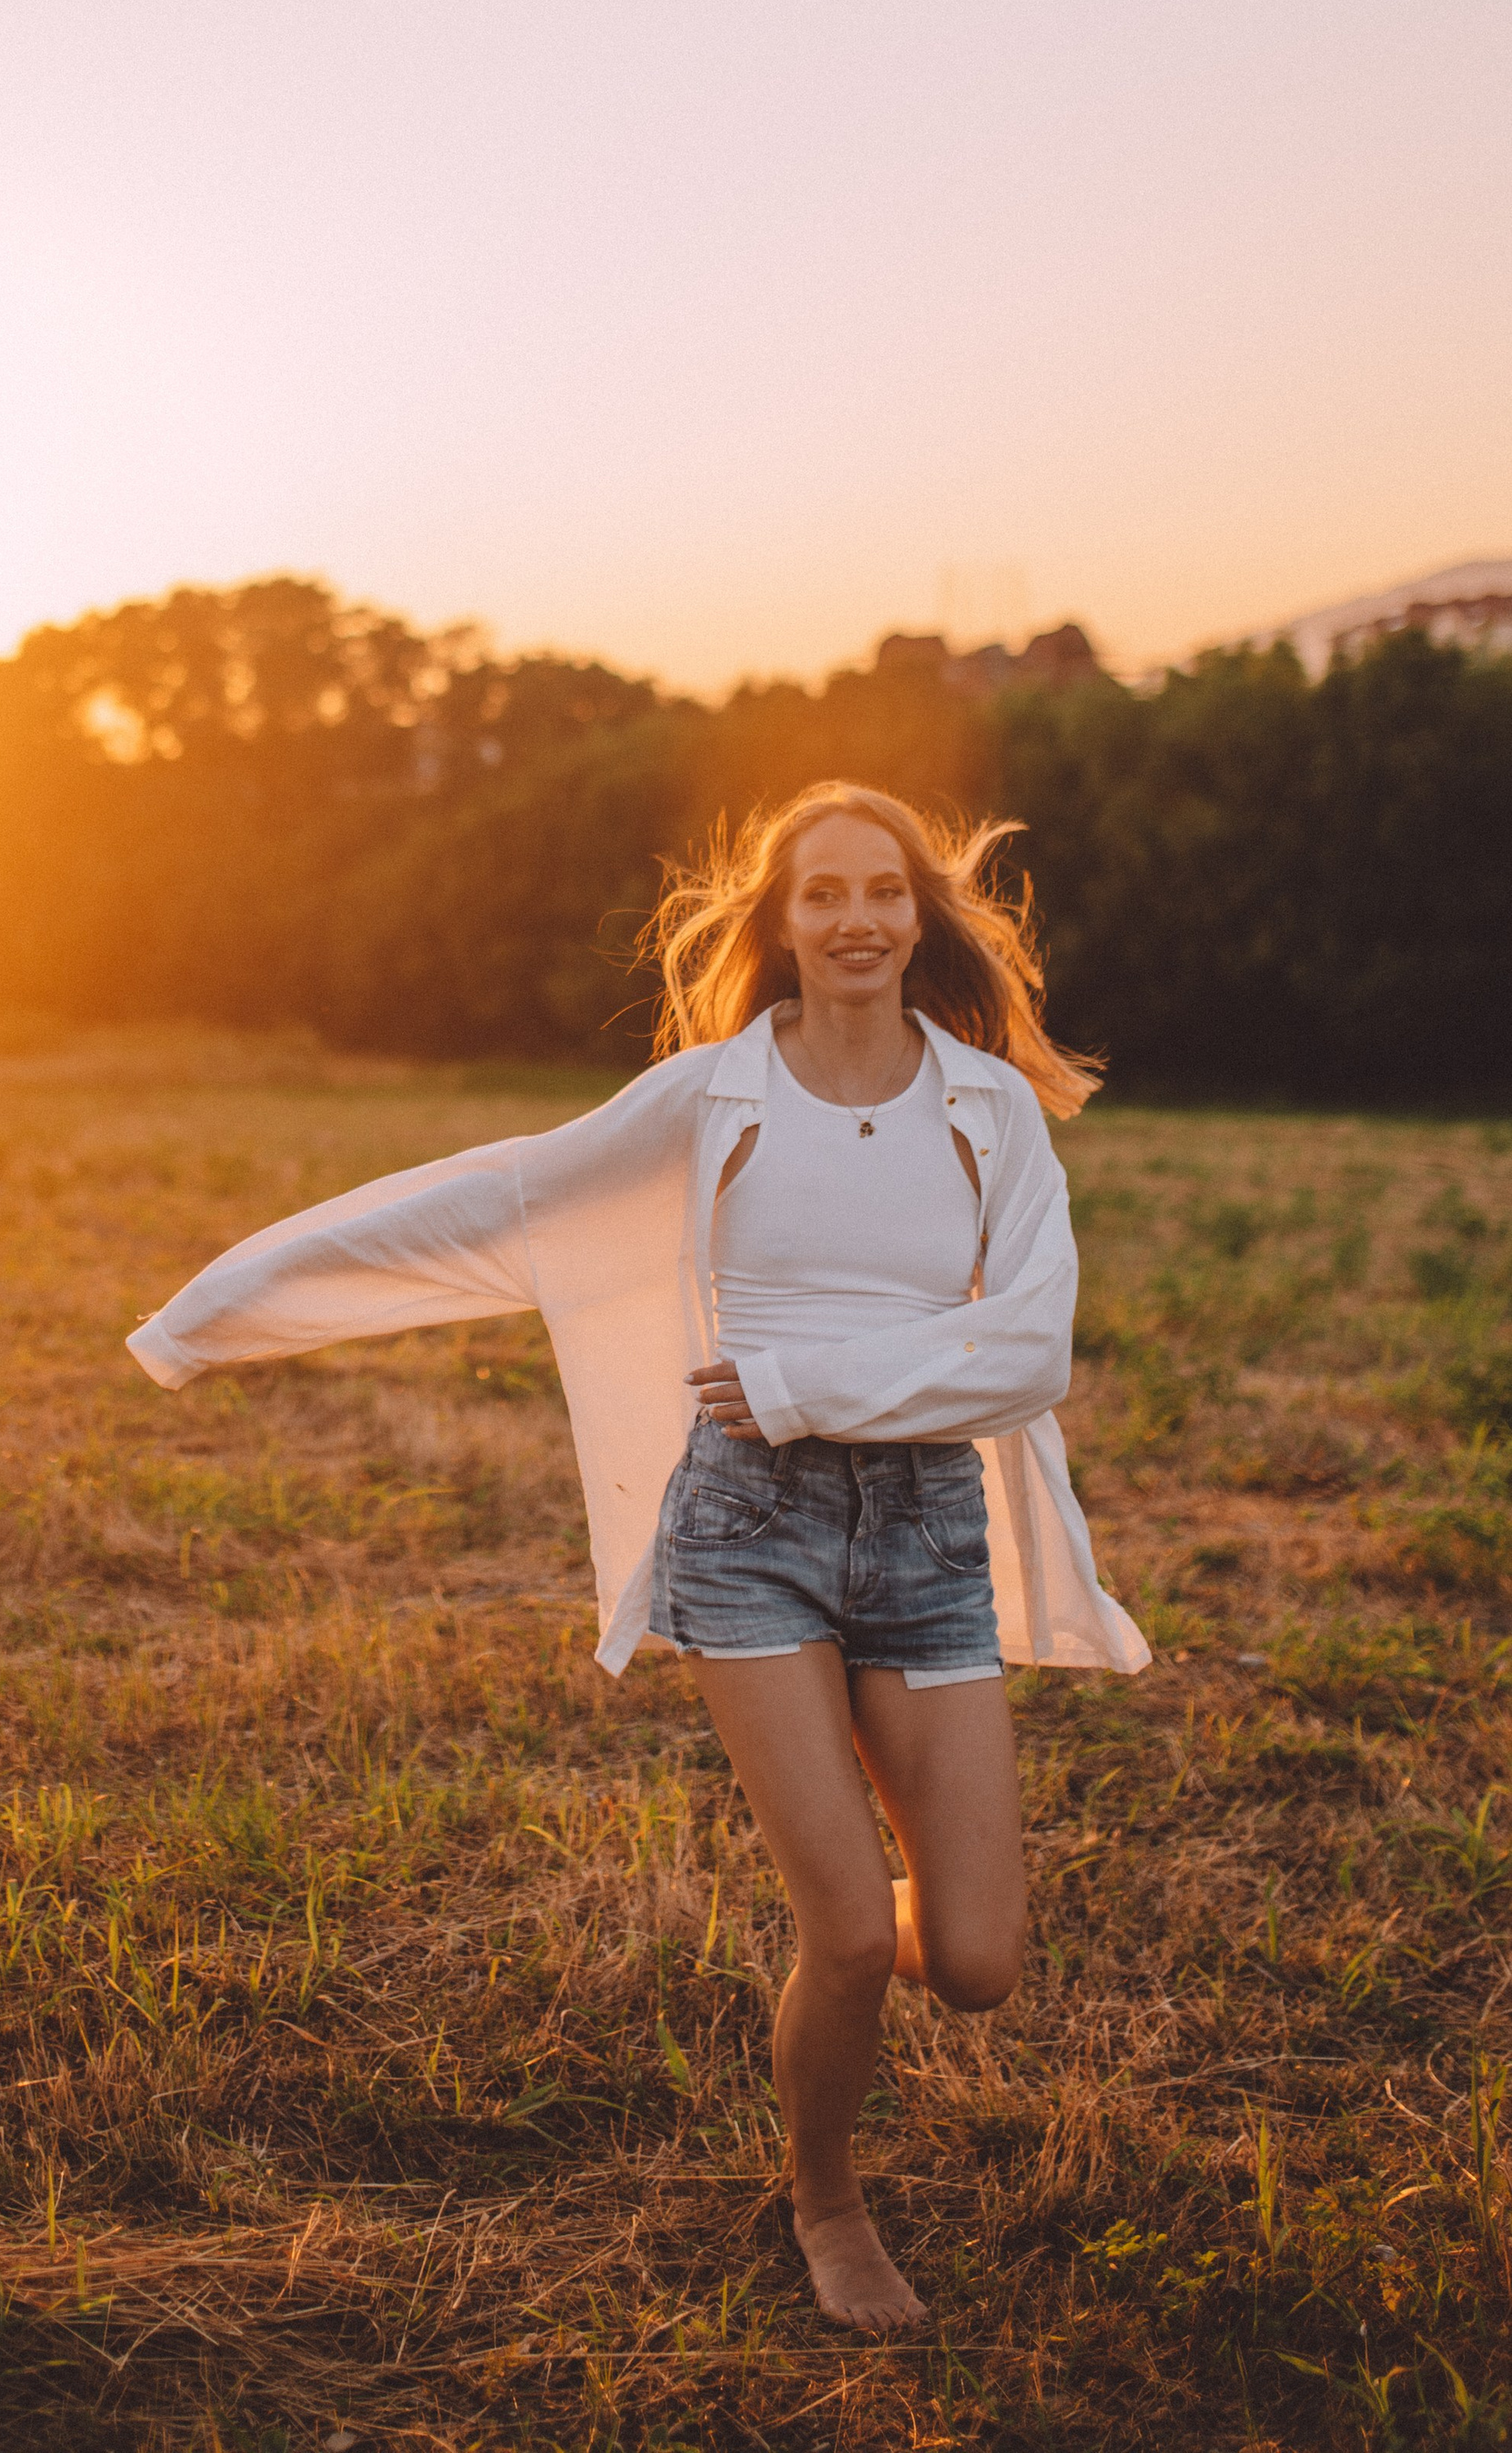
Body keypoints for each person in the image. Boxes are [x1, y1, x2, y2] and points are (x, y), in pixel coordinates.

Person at [127, 781, 1146, 2330]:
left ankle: (878, 1875)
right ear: (783, 925)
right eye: (825, 895)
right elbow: (502, 1198)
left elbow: (1029, 1352)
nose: (860, 919)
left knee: (984, 1958)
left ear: (921, 917)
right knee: (856, 1936)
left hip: (928, 1532)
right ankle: (827, 2195)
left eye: (888, 892)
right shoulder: (715, 1095)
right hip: (751, 1532)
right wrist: (220, 1308)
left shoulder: (987, 1109)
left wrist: (809, 1383)